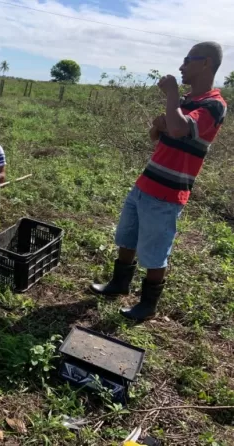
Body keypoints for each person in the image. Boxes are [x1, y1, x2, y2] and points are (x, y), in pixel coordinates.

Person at [90, 42, 227, 322]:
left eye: (187, 60)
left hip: (168, 192)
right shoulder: (187, 101)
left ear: (206, 63)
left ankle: (148, 305)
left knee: (154, 251)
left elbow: (177, 128)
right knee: (127, 236)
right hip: (146, 182)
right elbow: (158, 133)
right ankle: (119, 284)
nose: (181, 66)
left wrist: (173, 96)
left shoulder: (214, 105)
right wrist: (161, 121)